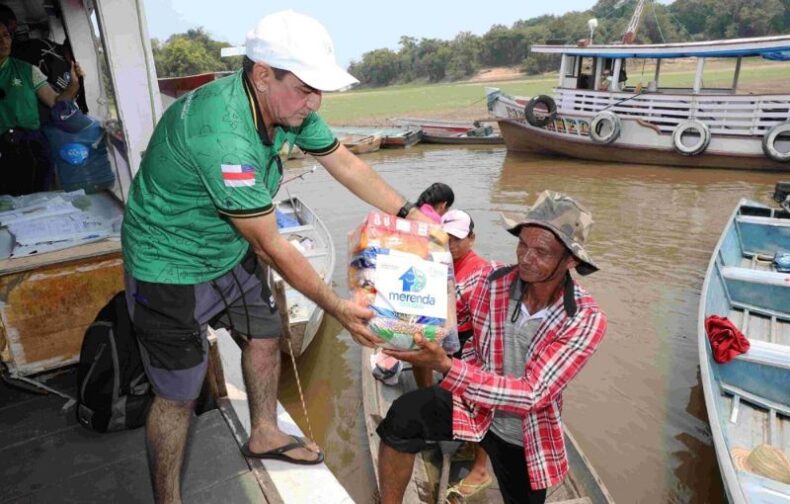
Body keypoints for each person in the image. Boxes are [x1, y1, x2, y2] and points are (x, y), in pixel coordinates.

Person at [120, 10, 428, 504]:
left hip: (227, 247)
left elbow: (343, 162)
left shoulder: (289, 108)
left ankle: (264, 431)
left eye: (319, 91)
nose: (315, 102)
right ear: (262, 75)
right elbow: (272, 244)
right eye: (306, 89)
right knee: (177, 395)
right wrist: (338, 307)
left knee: (264, 336)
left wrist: (410, 212)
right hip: (168, 264)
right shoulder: (223, 134)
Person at [376, 191, 608, 504]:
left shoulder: (584, 318)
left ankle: (483, 469)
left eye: (541, 251)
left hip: (523, 433)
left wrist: (446, 365)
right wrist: (383, 320)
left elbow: (532, 394)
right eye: (523, 244)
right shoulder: (491, 280)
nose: (526, 257)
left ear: (571, 260)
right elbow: (433, 312)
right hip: (475, 407)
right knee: (402, 417)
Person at [440, 209, 493, 500]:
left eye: (457, 239)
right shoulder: (440, 263)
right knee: (457, 397)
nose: (451, 245)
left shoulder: (480, 271)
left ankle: (481, 468)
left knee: (478, 402)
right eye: (445, 238)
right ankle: (469, 442)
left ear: (472, 239)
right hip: (452, 341)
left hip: (475, 344)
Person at [0, 20, 83, 195]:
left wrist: (73, 86)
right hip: (3, 148)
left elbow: (55, 102)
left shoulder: (27, 70)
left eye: (6, 36)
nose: (3, 42)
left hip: (33, 144)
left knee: (40, 197)